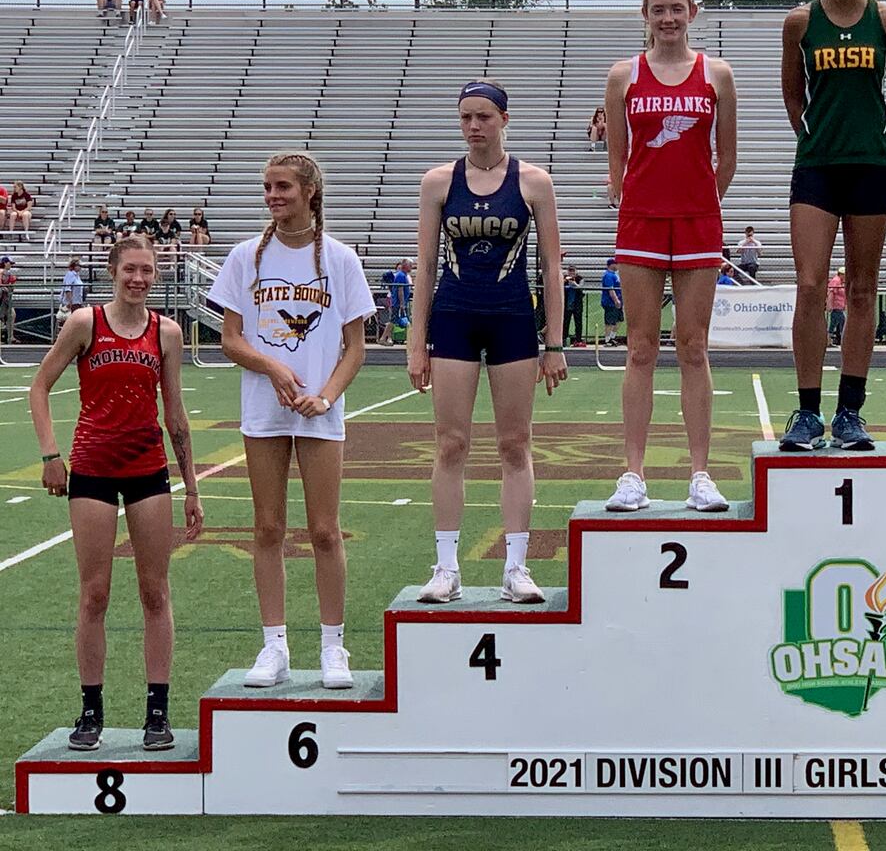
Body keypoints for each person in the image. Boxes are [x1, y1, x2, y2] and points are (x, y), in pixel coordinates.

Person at [29, 235, 204, 753]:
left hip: (148, 469)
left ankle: (157, 710)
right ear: (113, 270)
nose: (139, 279)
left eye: (147, 271)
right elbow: (39, 386)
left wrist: (192, 487)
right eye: (130, 269)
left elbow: (175, 414)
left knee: (155, 592)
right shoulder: (85, 323)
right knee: (95, 593)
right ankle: (90, 710)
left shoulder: (166, 333)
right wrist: (49, 454)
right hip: (92, 471)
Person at [209, 151, 375, 689]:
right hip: (264, 408)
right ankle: (274, 646)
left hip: (320, 413)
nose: (272, 196)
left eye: (282, 186)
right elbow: (230, 339)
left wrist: (325, 397)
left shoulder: (342, 260)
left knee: (325, 530)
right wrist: (273, 367)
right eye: (267, 187)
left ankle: (333, 647)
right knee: (268, 527)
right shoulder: (244, 258)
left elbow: (355, 348)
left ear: (309, 191)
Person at [410, 80, 568, 605]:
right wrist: (416, 341)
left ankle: (516, 567)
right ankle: (446, 567)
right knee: (451, 442)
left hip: (511, 320)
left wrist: (556, 343)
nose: (474, 127)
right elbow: (426, 268)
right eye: (465, 118)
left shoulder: (534, 182)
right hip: (454, 319)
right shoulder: (438, 182)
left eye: (483, 117)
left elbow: (551, 267)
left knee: (514, 443)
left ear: (504, 118)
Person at [602, 0, 738, 512]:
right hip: (640, 221)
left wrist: (700, 199)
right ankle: (633, 473)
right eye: (658, 10)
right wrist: (635, 197)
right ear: (645, 14)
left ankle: (700, 473)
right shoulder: (623, 76)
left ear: (693, 12)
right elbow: (618, 158)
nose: (668, 19)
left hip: (698, 220)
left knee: (693, 345)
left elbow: (726, 159)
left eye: (676, 9)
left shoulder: (717, 74)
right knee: (639, 347)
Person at [778, 0, 886, 451]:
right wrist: (816, 138)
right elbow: (793, 95)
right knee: (811, 286)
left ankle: (850, 412)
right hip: (816, 167)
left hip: (871, 169)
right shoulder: (799, 23)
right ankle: (808, 412)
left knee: (861, 289)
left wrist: (880, 151)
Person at [599, 257, 623, 346]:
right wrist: (616, 300)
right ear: (611, 265)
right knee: (609, 321)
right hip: (610, 302)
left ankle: (612, 337)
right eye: (616, 263)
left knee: (619, 320)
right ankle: (607, 339)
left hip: (618, 300)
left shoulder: (614, 275)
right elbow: (610, 289)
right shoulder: (608, 275)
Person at [562, 260, 585, 345]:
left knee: (578, 322)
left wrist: (574, 283)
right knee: (565, 322)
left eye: (573, 270)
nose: (571, 272)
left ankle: (578, 339)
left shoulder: (580, 278)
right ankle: (564, 338)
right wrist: (564, 281)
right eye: (570, 270)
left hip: (577, 305)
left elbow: (580, 287)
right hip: (567, 304)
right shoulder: (564, 278)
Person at [827, 267, 846, 345]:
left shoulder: (840, 282)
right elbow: (831, 293)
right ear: (841, 274)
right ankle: (844, 340)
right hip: (836, 306)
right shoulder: (836, 281)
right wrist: (829, 304)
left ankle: (828, 340)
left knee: (833, 324)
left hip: (839, 306)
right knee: (843, 322)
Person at [0, 256, 15, 342]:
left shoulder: (8, 274)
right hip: (1, 300)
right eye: (9, 263)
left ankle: (10, 336)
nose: (10, 265)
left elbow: (10, 287)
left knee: (12, 314)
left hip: (5, 300)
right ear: (5, 263)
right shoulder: (1, 272)